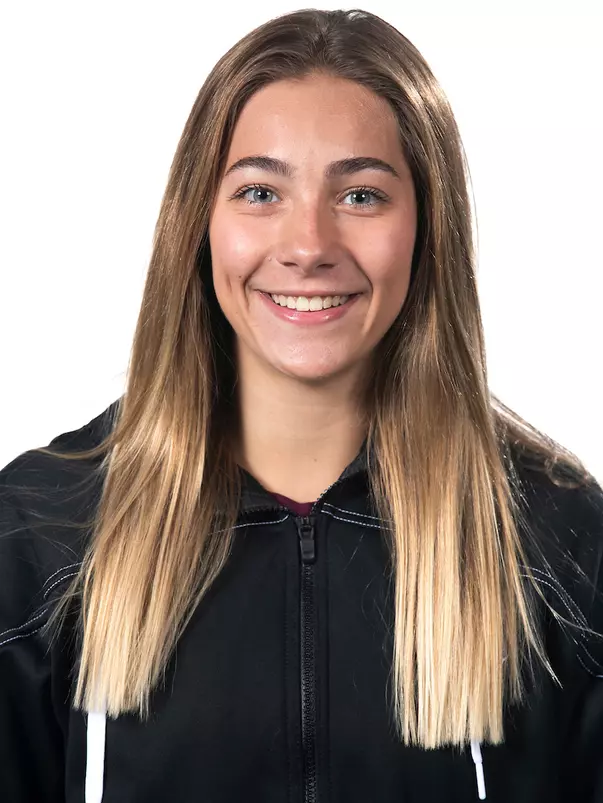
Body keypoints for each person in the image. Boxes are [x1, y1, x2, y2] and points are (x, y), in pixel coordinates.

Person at [1, 7, 602, 802]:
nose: (309, 243)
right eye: (259, 191)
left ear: (426, 229)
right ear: (199, 224)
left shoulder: (553, 537)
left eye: (359, 194)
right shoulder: (42, 533)